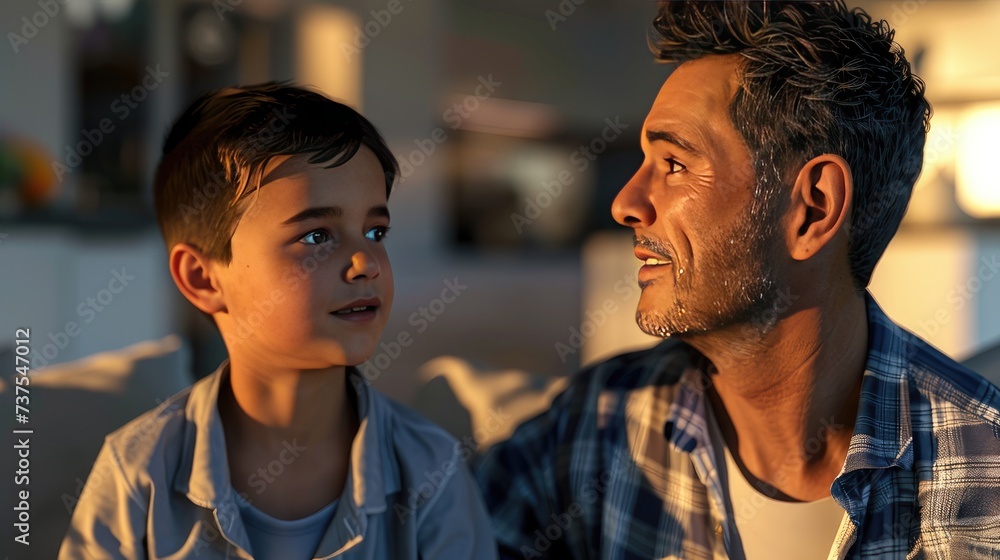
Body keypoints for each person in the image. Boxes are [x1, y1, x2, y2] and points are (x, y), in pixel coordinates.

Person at [476, 1, 1000, 558]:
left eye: (674, 164)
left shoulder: (985, 469)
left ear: (813, 209)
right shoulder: (599, 423)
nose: (625, 204)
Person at [60, 83, 496, 559]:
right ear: (203, 278)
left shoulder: (432, 473)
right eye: (316, 236)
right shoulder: (137, 474)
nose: (365, 262)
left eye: (376, 231)